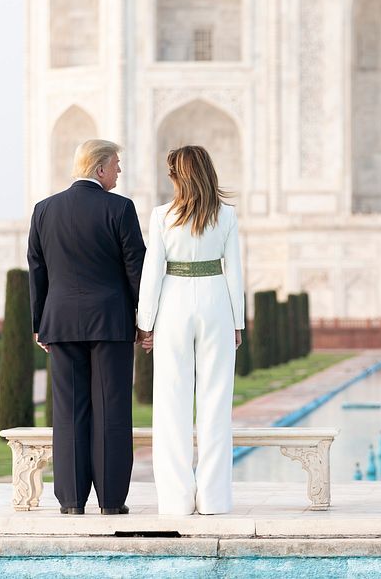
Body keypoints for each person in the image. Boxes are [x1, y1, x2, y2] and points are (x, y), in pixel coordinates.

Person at [27, 139, 146, 515]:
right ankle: (112, 500)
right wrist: (146, 321)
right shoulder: (120, 209)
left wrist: (39, 324)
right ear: (99, 169)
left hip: (60, 324)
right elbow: (136, 269)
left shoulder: (44, 210)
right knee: (111, 410)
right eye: (116, 164)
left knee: (67, 412)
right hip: (110, 323)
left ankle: (72, 501)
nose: (119, 171)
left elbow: (37, 270)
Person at [136, 145, 245, 515]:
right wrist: (237, 322)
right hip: (216, 303)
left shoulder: (163, 216)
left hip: (174, 307)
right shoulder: (226, 215)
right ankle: (214, 499)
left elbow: (152, 273)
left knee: (171, 405)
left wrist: (144, 324)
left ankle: (177, 500)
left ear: (178, 176)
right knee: (216, 404)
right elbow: (235, 272)